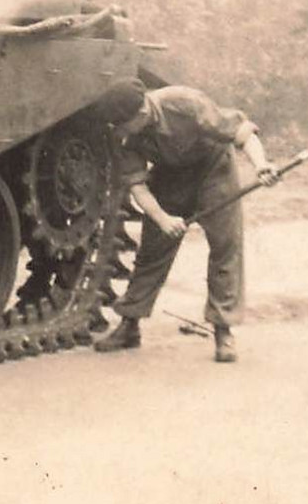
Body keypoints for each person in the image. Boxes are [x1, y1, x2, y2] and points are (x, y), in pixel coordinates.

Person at [91, 78, 278, 363]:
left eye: (122, 126)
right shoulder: (124, 135)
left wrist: (261, 165)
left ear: (140, 113)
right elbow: (138, 187)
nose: (118, 133)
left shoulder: (185, 103)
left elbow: (241, 133)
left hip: (213, 169)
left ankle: (223, 329)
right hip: (169, 176)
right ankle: (129, 324)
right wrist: (163, 219)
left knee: (224, 246)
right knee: (152, 250)